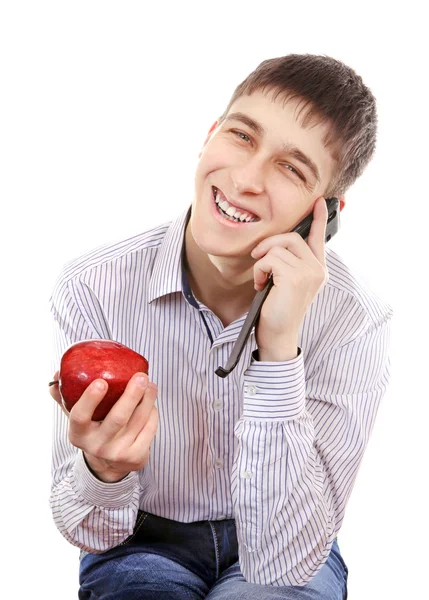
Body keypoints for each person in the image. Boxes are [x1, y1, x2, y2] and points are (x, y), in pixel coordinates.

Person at [49, 53, 392, 599]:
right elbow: (89, 529)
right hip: (143, 540)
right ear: (210, 136)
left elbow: (286, 558)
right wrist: (104, 470)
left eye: (291, 168)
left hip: (285, 540)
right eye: (241, 136)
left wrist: (279, 348)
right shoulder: (96, 286)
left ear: (322, 213)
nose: (246, 179)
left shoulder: (354, 320)